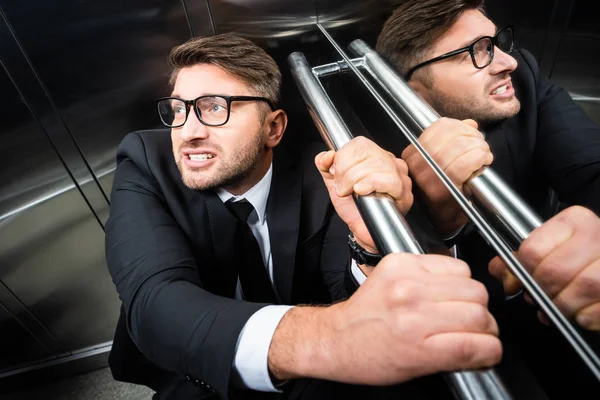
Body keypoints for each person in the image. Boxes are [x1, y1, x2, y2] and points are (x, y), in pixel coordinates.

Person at [104, 33, 501, 400]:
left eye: (213, 108)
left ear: (273, 128)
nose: (187, 132)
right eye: (178, 109)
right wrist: (332, 338)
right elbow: (156, 302)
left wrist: (367, 244)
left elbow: (344, 292)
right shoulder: (145, 160)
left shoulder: (320, 170)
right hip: (192, 366)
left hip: (306, 370)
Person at [375, 0, 600, 395]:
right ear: (415, 88)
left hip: (555, 301)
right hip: (460, 331)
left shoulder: (524, 78)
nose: (505, 61)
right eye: (475, 52)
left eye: (496, 42)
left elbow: (592, 170)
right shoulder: (381, 150)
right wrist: (438, 223)